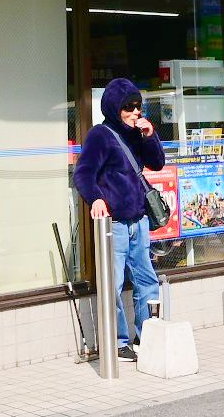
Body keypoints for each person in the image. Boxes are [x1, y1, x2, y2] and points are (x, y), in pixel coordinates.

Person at [73, 77, 171, 360]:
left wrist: (150, 134)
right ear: (115, 108)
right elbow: (83, 174)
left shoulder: (137, 133)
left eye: (138, 106)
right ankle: (117, 341)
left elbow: (157, 163)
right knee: (113, 284)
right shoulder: (100, 135)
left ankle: (147, 335)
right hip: (114, 224)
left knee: (147, 279)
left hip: (139, 219)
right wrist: (97, 199)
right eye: (128, 107)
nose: (135, 112)